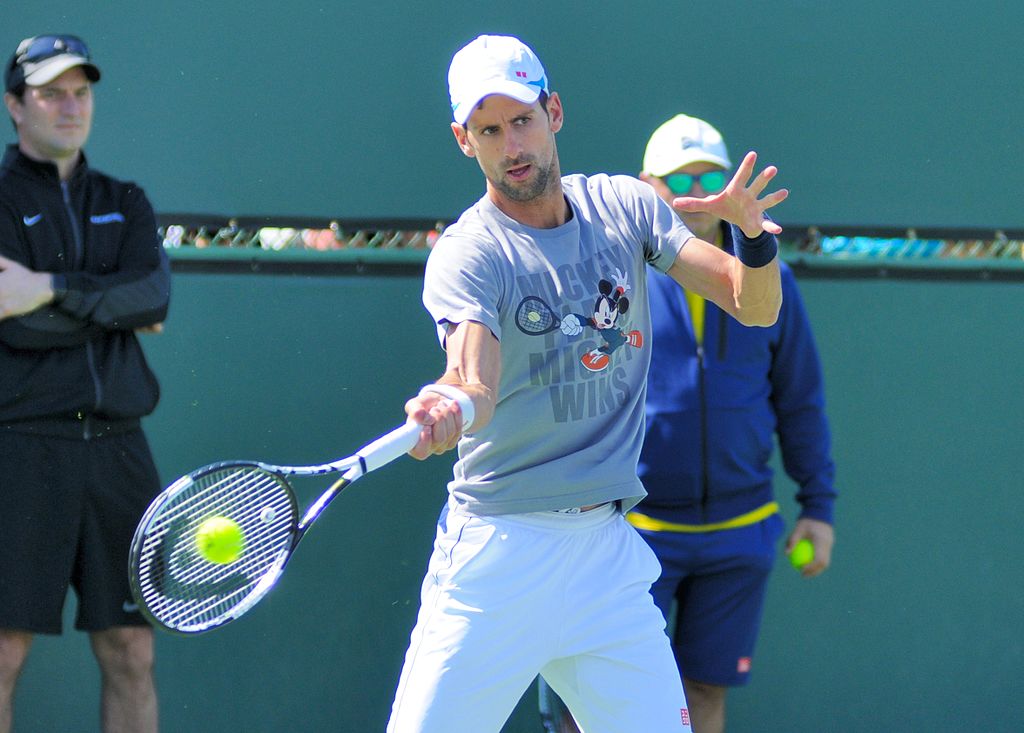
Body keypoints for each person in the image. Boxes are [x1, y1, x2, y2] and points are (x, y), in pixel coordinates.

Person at [388, 35, 788, 733]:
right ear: (464, 140)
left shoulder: (624, 207)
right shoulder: (468, 252)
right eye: (489, 129)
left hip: (606, 555)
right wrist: (450, 401)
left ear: (555, 113)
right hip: (498, 557)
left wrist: (754, 241)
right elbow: (473, 381)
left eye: (522, 120)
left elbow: (754, 304)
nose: (511, 144)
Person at [539, 113, 837, 733]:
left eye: (709, 176)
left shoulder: (771, 281)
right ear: (649, 185)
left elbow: (799, 401)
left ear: (731, 184)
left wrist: (818, 507)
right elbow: (571, 398)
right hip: (628, 533)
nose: (696, 191)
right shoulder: (612, 282)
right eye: (679, 178)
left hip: (740, 533)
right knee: (587, 704)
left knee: (702, 695)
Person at [0, 34, 169, 733]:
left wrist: (46, 288)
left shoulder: (124, 201)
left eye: (81, 91)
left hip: (119, 450)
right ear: (16, 106)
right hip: (21, 449)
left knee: (131, 647)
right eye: (50, 92)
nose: (70, 106)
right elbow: (12, 328)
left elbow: (153, 298)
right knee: (4, 650)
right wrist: (107, 308)